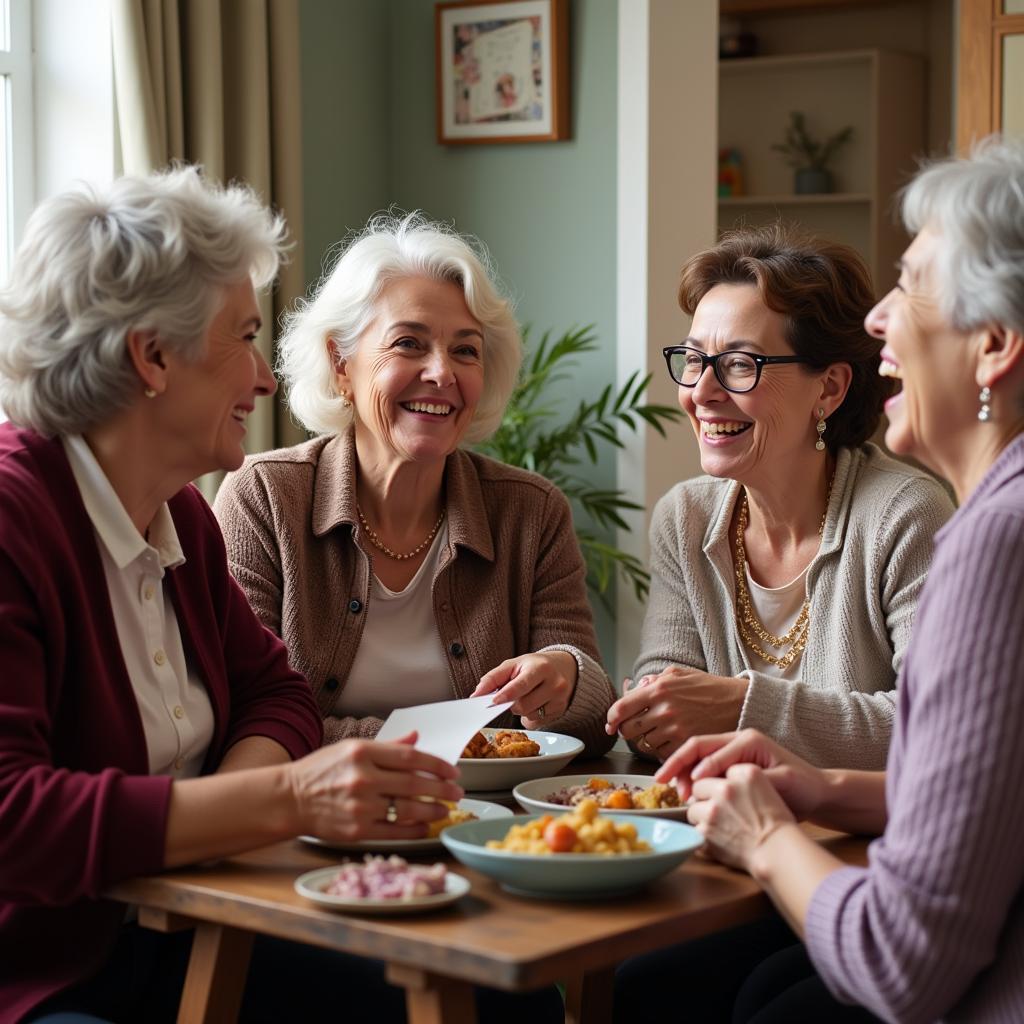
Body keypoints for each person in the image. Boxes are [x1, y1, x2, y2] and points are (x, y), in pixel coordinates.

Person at [0, 170, 560, 1024]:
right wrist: (283, 801)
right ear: (152, 356)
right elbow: (13, 819)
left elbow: (275, 692)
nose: (265, 379)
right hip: (45, 969)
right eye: (245, 337)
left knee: (498, 1002)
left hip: (197, 919)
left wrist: (238, 816)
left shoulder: (176, 509)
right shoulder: (15, 520)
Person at [659, 137, 1024, 1023]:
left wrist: (769, 832)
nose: (879, 319)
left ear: (995, 345)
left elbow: (902, 964)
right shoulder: (687, 515)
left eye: (913, 285)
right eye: (694, 359)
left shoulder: (992, 539)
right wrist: (818, 788)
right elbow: (989, 789)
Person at [214, 212, 615, 755]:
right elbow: (242, 711)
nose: (442, 373)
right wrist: (446, 743)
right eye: (409, 343)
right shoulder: (263, 498)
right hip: (322, 819)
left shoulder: (531, 510)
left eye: (465, 350)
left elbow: (590, 729)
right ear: (340, 363)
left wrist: (566, 675)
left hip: (494, 829)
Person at [606, 225, 954, 769]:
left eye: (742, 364)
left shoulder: (905, 514)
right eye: (695, 359)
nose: (701, 393)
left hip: (855, 841)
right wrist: (651, 709)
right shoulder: (686, 516)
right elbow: (659, 696)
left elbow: (936, 724)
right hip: (713, 825)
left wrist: (742, 707)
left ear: (830, 388)